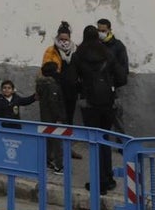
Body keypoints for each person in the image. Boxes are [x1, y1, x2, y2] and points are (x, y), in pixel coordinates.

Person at [75, 25, 119, 195]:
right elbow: (121, 76)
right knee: (105, 138)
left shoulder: (79, 55)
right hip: (107, 102)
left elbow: (72, 80)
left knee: (93, 141)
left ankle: (98, 182)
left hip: (90, 104)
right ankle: (108, 178)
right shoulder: (107, 53)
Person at [95, 18, 130, 133]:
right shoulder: (94, 44)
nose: (101, 33)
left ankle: (122, 145)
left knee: (116, 116)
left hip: (113, 87)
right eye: (98, 30)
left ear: (109, 30)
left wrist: (114, 84)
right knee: (100, 118)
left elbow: (124, 68)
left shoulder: (118, 46)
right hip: (97, 87)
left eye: (103, 30)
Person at [41, 22, 79, 125]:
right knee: (57, 116)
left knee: (69, 116)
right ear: (57, 38)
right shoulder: (51, 50)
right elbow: (45, 68)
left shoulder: (76, 50)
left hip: (71, 90)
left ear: (70, 39)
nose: (64, 42)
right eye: (61, 39)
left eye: (66, 39)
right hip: (57, 88)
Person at [36, 62, 67, 172]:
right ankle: (59, 166)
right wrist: (59, 117)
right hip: (53, 119)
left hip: (45, 117)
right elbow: (54, 103)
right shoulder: (52, 86)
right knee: (57, 143)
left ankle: (47, 161)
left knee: (48, 141)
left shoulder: (41, 85)